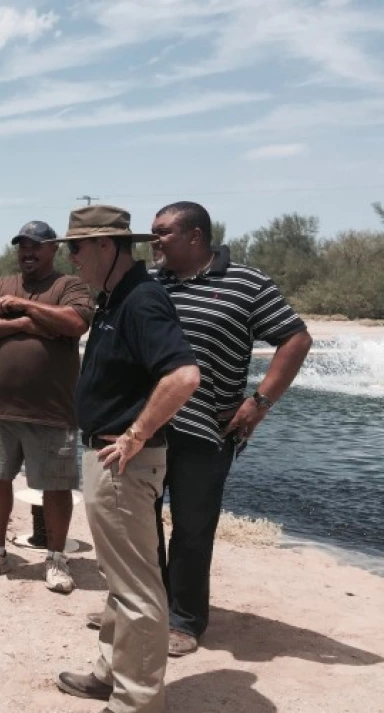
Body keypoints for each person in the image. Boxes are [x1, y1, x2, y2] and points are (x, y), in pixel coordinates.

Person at [52, 204, 201, 713]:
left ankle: (136, 703)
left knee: (137, 589)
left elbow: (183, 377)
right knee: (122, 579)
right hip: (110, 460)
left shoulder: (142, 300)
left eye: (75, 247)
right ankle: (109, 673)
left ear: (105, 245)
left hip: (122, 464)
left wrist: (136, 434)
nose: (70, 258)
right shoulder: (117, 297)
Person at [148, 201, 312, 656]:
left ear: (195, 236)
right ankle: (144, 609)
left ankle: (184, 621)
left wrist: (260, 402)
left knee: (193, 527)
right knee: (140, 523)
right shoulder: (151, 283)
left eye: (162, 232)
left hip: (208, 430)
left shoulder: (247, 283)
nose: (154, 241)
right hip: (147, 427)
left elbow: (295, 338)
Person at [0, 220, 92, 593]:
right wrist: (25, 323)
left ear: (53, 249)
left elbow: (75, 323)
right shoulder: (0, 285)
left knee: (56, 486)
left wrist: (18, 306)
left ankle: (55, 558)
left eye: (36, 246)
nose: (27, 252)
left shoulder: (69, 285)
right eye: (22, 246)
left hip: (53, 410)